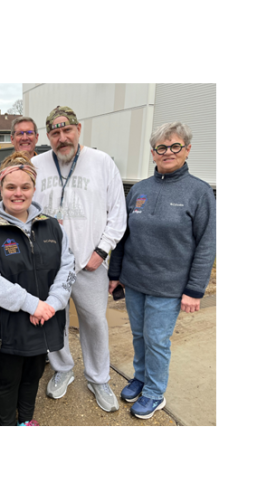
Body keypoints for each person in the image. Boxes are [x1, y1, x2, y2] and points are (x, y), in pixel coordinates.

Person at [108, 122, 216, 420]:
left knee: (156, 339)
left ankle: (155, 392)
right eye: (161, 147)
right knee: (140, 335)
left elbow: (206, 244)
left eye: (175, 146)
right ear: (153, 153)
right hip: (135, 281)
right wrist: (114, 273)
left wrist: (195, 290)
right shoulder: (139, 190)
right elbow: (122, 235)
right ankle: (141, 378)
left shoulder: (199, 192)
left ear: (187, 149)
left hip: (169, 287)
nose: (167, 152)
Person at [0, 152, 75, 426]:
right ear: (0, 189)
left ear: (33, 188)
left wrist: (52, 303)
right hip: (10, 327)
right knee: (7, 381)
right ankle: (8, 425)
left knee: (33, 377)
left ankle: (25, 422)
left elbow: (67, 266)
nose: (18, 193)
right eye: (11, 187)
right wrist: (33, 304)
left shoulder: (51, 226)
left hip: (46, 320)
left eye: (25, 187)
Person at [32, 105, 126, 412]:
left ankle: (98, 378)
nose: (62, 138)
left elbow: (118, 213)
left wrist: (101, 252)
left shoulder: (102, 162)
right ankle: (62, 369)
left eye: (67, 130)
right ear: (48, 136)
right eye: (55, 133)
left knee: (95, 322)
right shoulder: (36, 164)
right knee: (54, 321)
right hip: (49, 265)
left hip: (89, 263)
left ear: (78, 129)